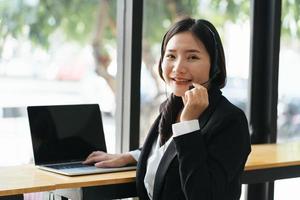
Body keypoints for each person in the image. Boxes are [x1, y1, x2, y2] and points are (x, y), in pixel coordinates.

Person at [83, 17, 251, 200]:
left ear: (215, 66)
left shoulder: (230, 120)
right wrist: (132, 156)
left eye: (192, 57)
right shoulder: (173, 107)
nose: (178, 68)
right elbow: (169, 152)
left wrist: (188, 125)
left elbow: (203, 195)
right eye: (171, 56)